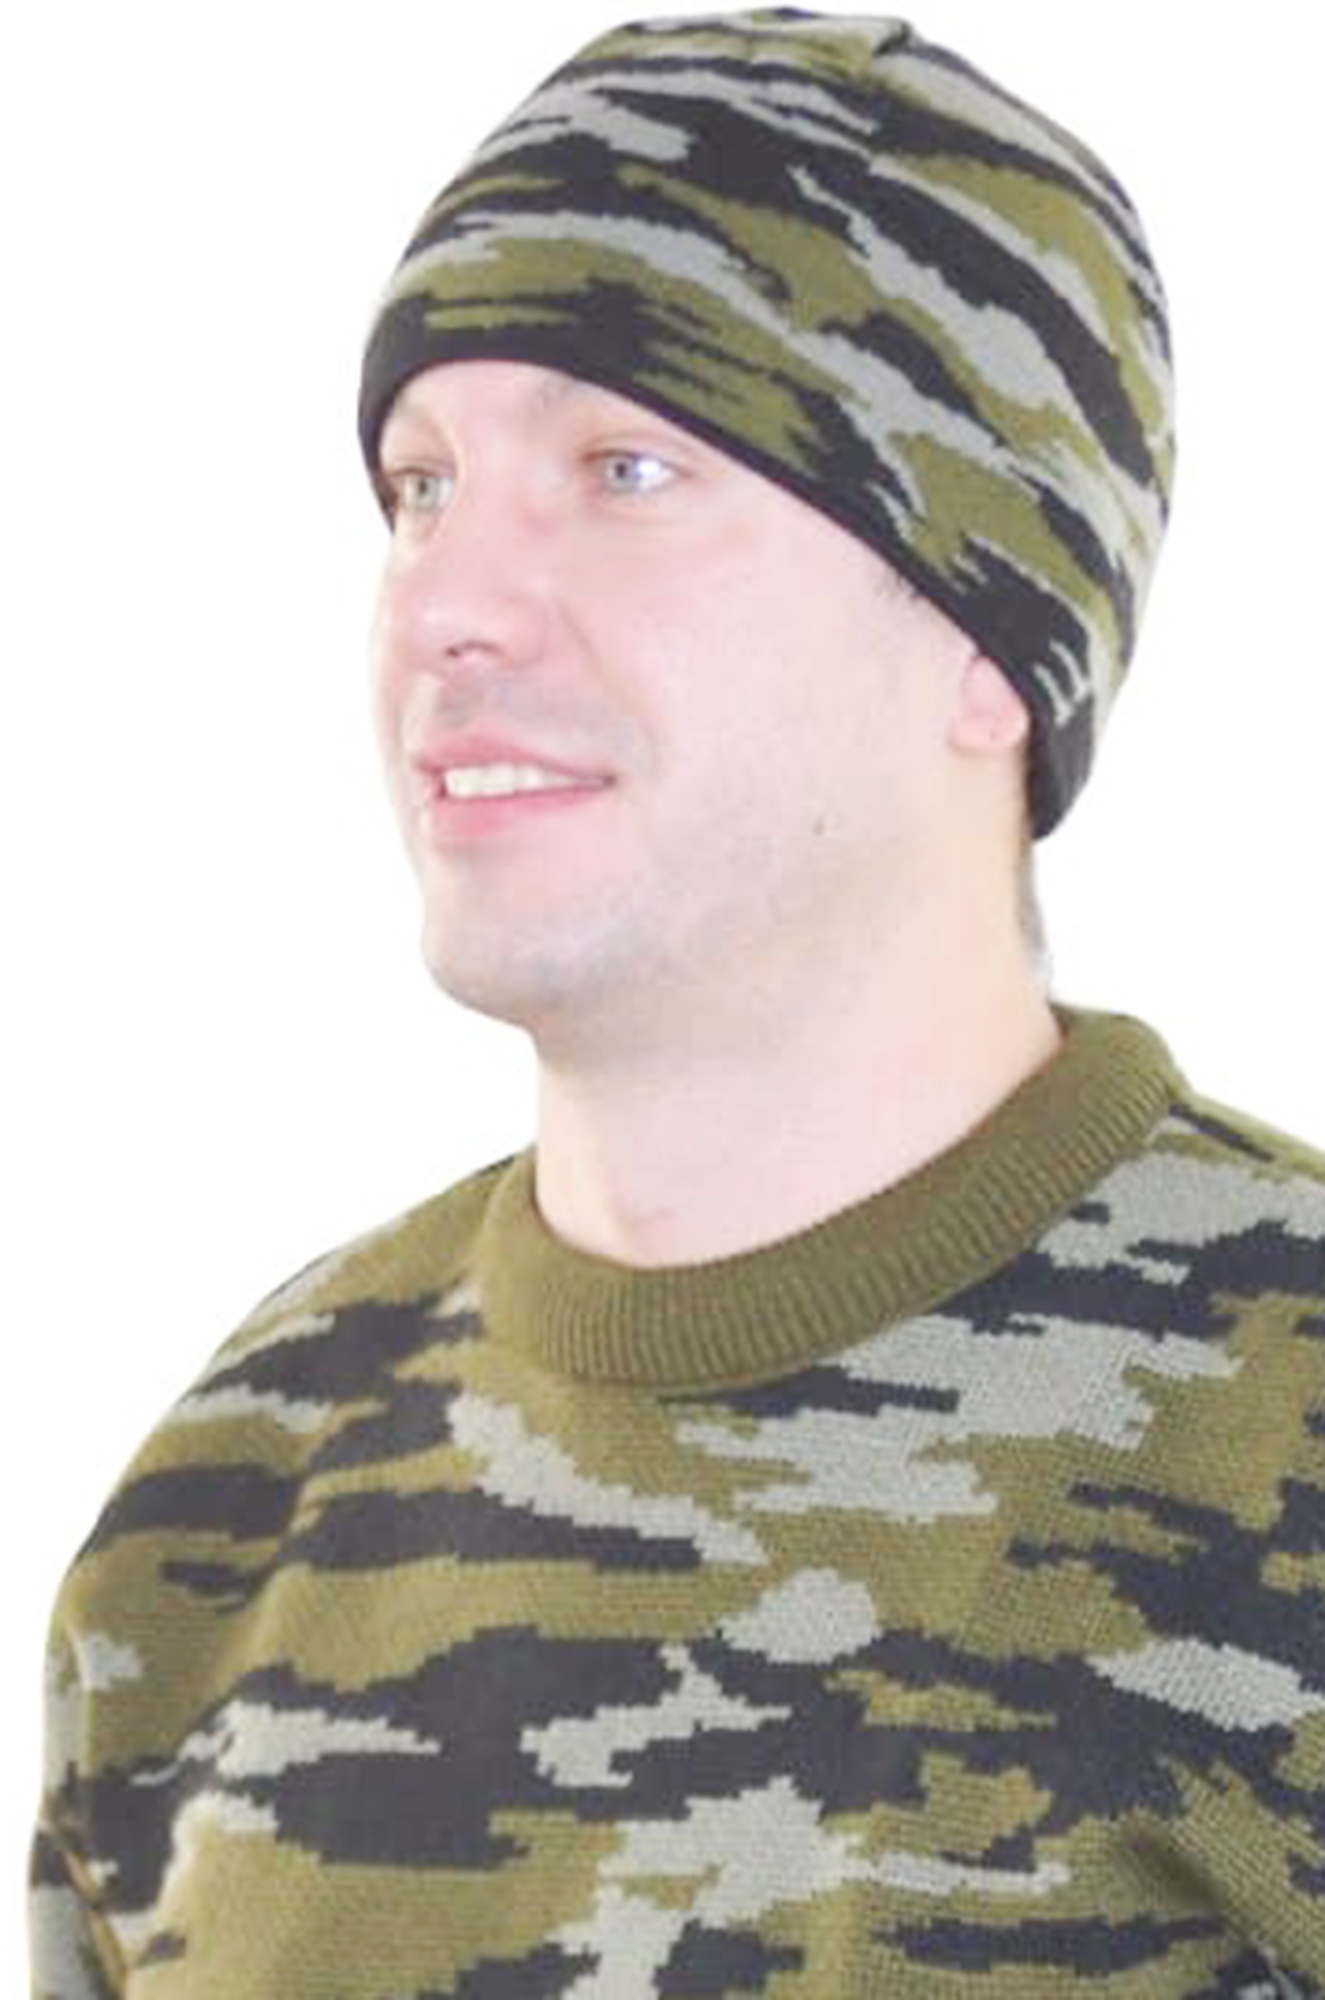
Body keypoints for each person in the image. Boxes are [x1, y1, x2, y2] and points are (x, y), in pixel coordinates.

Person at [29, 10, 1324, 1997]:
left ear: (993, 639)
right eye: (420, 489)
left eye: (626, 469)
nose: (446, 604)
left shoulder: (1284, 1425)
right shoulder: (218, 1517)